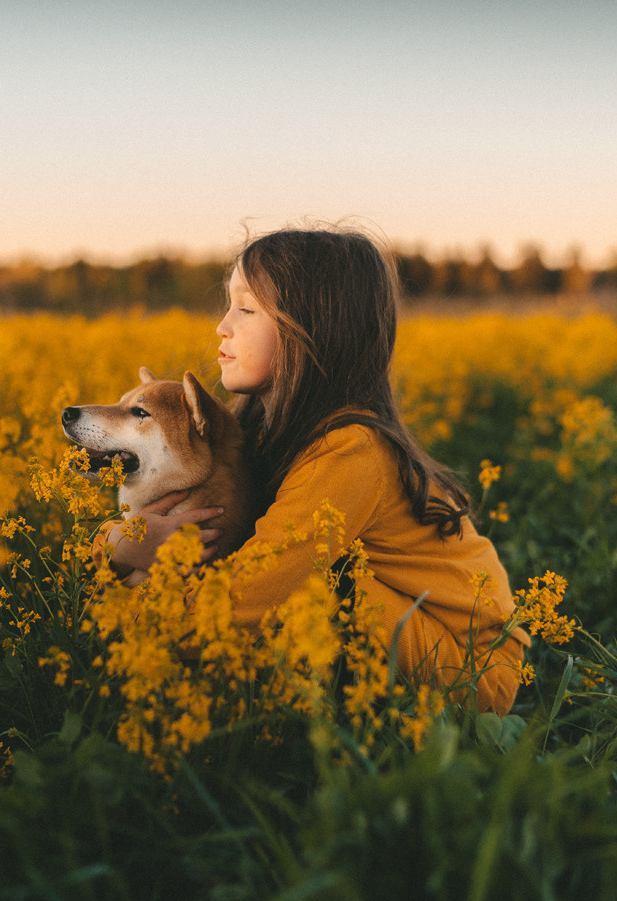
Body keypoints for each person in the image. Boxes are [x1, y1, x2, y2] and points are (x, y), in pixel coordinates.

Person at [93, 228, 529, 715]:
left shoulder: (350, 452)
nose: (222, 326)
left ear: (310, 331)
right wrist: (120, 544)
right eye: (228, 305)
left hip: (471, 667)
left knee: (318, 579)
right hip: (407, 635)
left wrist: (121, 613)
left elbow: (241, 604)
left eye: (246, 309)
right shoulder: (256, 430)